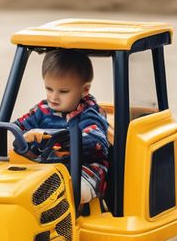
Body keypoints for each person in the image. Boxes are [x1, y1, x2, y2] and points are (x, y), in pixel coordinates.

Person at [15, 49, 110, 204]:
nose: (53, 97)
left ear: (84, 90)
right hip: (49, 170)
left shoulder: (90, 113)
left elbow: (96, 142)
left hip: (84, 171)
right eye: (49, 89)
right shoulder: (43, 109)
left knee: (67, 191)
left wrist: (58, 138)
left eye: (63, 91)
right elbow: (21, 125)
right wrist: (23, 135)